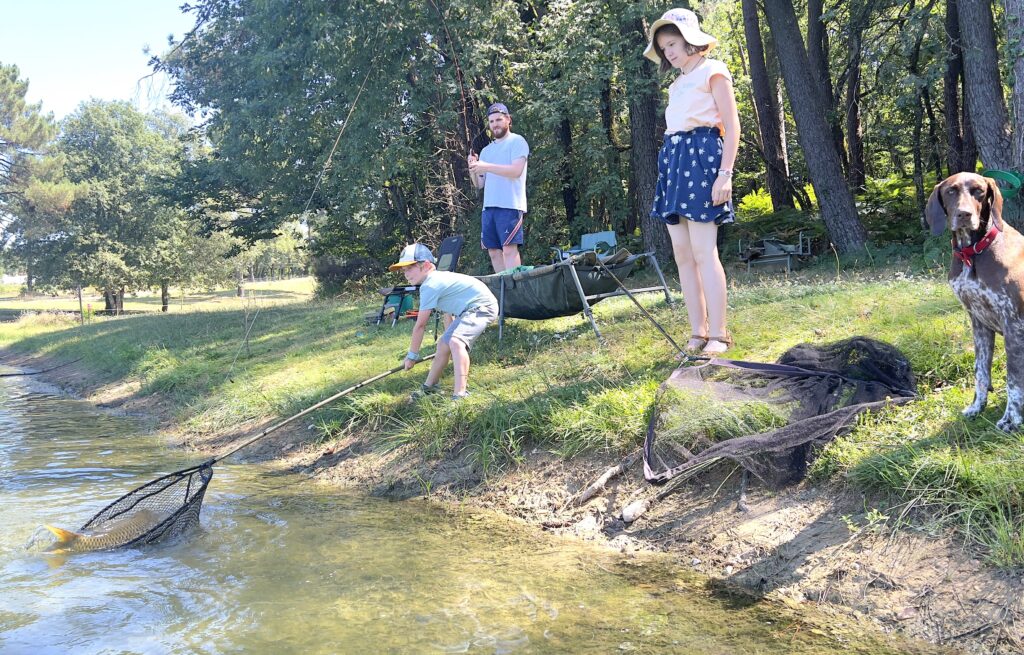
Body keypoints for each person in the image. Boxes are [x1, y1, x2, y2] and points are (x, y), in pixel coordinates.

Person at [645, 8, 739, 355]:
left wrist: (724, 174)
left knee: (703, 251)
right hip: (673, 159)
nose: (668, 51)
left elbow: (731, 126)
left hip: (702, 159)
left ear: (689, 39)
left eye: (672, 43)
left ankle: (719, 333)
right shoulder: (678, 83)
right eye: (663, 46)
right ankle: (698, 332)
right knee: (683, 254)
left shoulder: (713, 71)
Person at [389, 243, 499, 400]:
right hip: (467, 311)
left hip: (482, 307)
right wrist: (449, 340)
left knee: (456, 342)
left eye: (410, 268)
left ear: (425, 265)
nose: (406, 274)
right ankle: (429, 387)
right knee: (443, 344)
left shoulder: (431, 285)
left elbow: (420, 326)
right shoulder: (436, 279)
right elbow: (448, 312)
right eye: (404, 270)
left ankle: (460, 395)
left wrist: (412, 356)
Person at [468, 102, 530, 273]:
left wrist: (485, 166)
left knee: (509, 249)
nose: (495, 124)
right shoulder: (486, 151)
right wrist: (473, 168)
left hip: (510, 205)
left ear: (508, 120)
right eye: (491, 121)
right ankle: (506, 294)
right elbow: (479, 184)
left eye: (499, 120)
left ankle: (517, 290)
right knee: (494, 252)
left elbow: (516, 171)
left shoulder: (517, 141)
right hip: (488, 208)